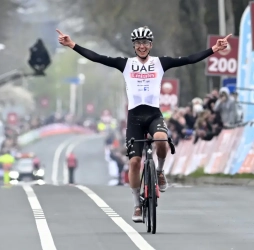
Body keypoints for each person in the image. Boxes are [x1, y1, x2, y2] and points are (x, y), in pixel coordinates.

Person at [56, 26, 231, 222]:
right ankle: (137, 205)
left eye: (145, 43)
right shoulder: (125, 64)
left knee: (161, 138)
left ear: (151, 45)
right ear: (134, 46)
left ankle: (159, 171)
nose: (142, 46)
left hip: (154, 114)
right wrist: (72, 45)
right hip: (135, 118)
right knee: (134, 162)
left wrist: (214, 49)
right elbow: (97, 57)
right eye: (138, 43)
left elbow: (189, 59)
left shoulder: (160, 63)